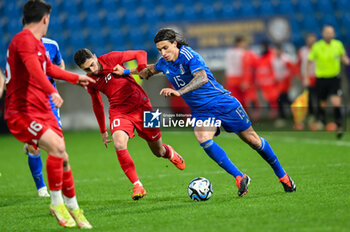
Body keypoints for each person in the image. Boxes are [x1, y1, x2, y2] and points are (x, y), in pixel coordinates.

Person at [138, 28, 296, 197]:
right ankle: (239, 177)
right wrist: (124, 71)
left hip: (222, 103)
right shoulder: (164, 62)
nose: (163, 53)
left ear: (174, 44)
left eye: (165, 48)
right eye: (159, 50)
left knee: (253, 141)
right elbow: (148, 70)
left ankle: (283, 176)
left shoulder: (190, 56)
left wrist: (180, 92)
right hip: (202, 110)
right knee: (203, 138)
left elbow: (202, 77)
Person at [5, 0, 95, 228]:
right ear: (45, 19)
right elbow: (35, 70)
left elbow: (49, 68)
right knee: (56, 146)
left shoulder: (35, 43)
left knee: (63, 156)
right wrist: (51, 90)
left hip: (41, 110)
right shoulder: (23, 40)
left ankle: (73, 207)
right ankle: (56, 203)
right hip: (23, 112)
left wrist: (76, 78)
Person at [73, 48, 185, 200]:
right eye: (86, 69)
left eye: (92, 64)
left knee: (158, 151)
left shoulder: (111, 58)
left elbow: (141, 53)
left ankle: (169, 152)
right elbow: (97, 104)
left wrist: (141, 68)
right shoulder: (90, 80)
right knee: (119, 144)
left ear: (94, 57)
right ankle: (137, 185)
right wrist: (102, 130)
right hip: (119, 111)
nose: (92, 70)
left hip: (143, 106)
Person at [24, 37, 66, 198]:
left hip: (49, 99)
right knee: (33, 147)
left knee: (58, 143)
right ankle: (41, 187)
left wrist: (58, 73)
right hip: (29, 100)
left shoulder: (52, 44)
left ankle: (61, 190)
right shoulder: (19, 46)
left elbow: (60, 64)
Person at [306, 25, 350, 137]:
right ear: (323, 34)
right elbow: (309, 61)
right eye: (326, 32)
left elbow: (344, 58)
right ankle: (322, 121)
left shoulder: (338, 45)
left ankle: (339, 124)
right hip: (321, 79)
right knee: (323, 103)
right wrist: (306, 77)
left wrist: (346, 61)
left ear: (334, 34)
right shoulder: (317, 46)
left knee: (336, 101)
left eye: (330, 32)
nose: (328, 34)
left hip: (334, 78)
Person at [224, 36, 259, 112]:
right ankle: (244, 118)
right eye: (244, 42)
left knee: (234, 100)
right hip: (241, 79)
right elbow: (247, 68)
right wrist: (246, 81)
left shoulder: (229, 52)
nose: (246, 44)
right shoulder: (245, 53)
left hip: (230, 79)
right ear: (239, 43)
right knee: (243, 100)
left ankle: (237, 118)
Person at [272, 44, 297, 127]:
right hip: (279, 82)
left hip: (285, 82)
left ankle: (283, 117)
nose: (276, 52)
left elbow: (292, 69)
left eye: (278, 50)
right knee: (284, 100)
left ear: (281, 51)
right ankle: (295, 113)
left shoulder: (285, 59)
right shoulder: (274, 59)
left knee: (280, 99)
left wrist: (288, 79)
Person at [255, 41, 279, 119]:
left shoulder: (272, 56)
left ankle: (279, 114)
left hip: (272, 82)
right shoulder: (261, 58)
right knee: (268, 99)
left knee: (274, 98)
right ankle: (273, 113)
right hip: (264, 83)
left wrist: (274, 78)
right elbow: (259, 70)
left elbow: (275, 68)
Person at [298, 33, 317, 128]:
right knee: (308, 98)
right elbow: (300, 64)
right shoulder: (302, 51)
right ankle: (311, 116)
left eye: (313, 39)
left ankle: (319, 117)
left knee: (319, 98)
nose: (311, 41)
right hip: (307, 77)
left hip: (318, 76)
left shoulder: (319, 49)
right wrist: (303, 77)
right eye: (309, 39)